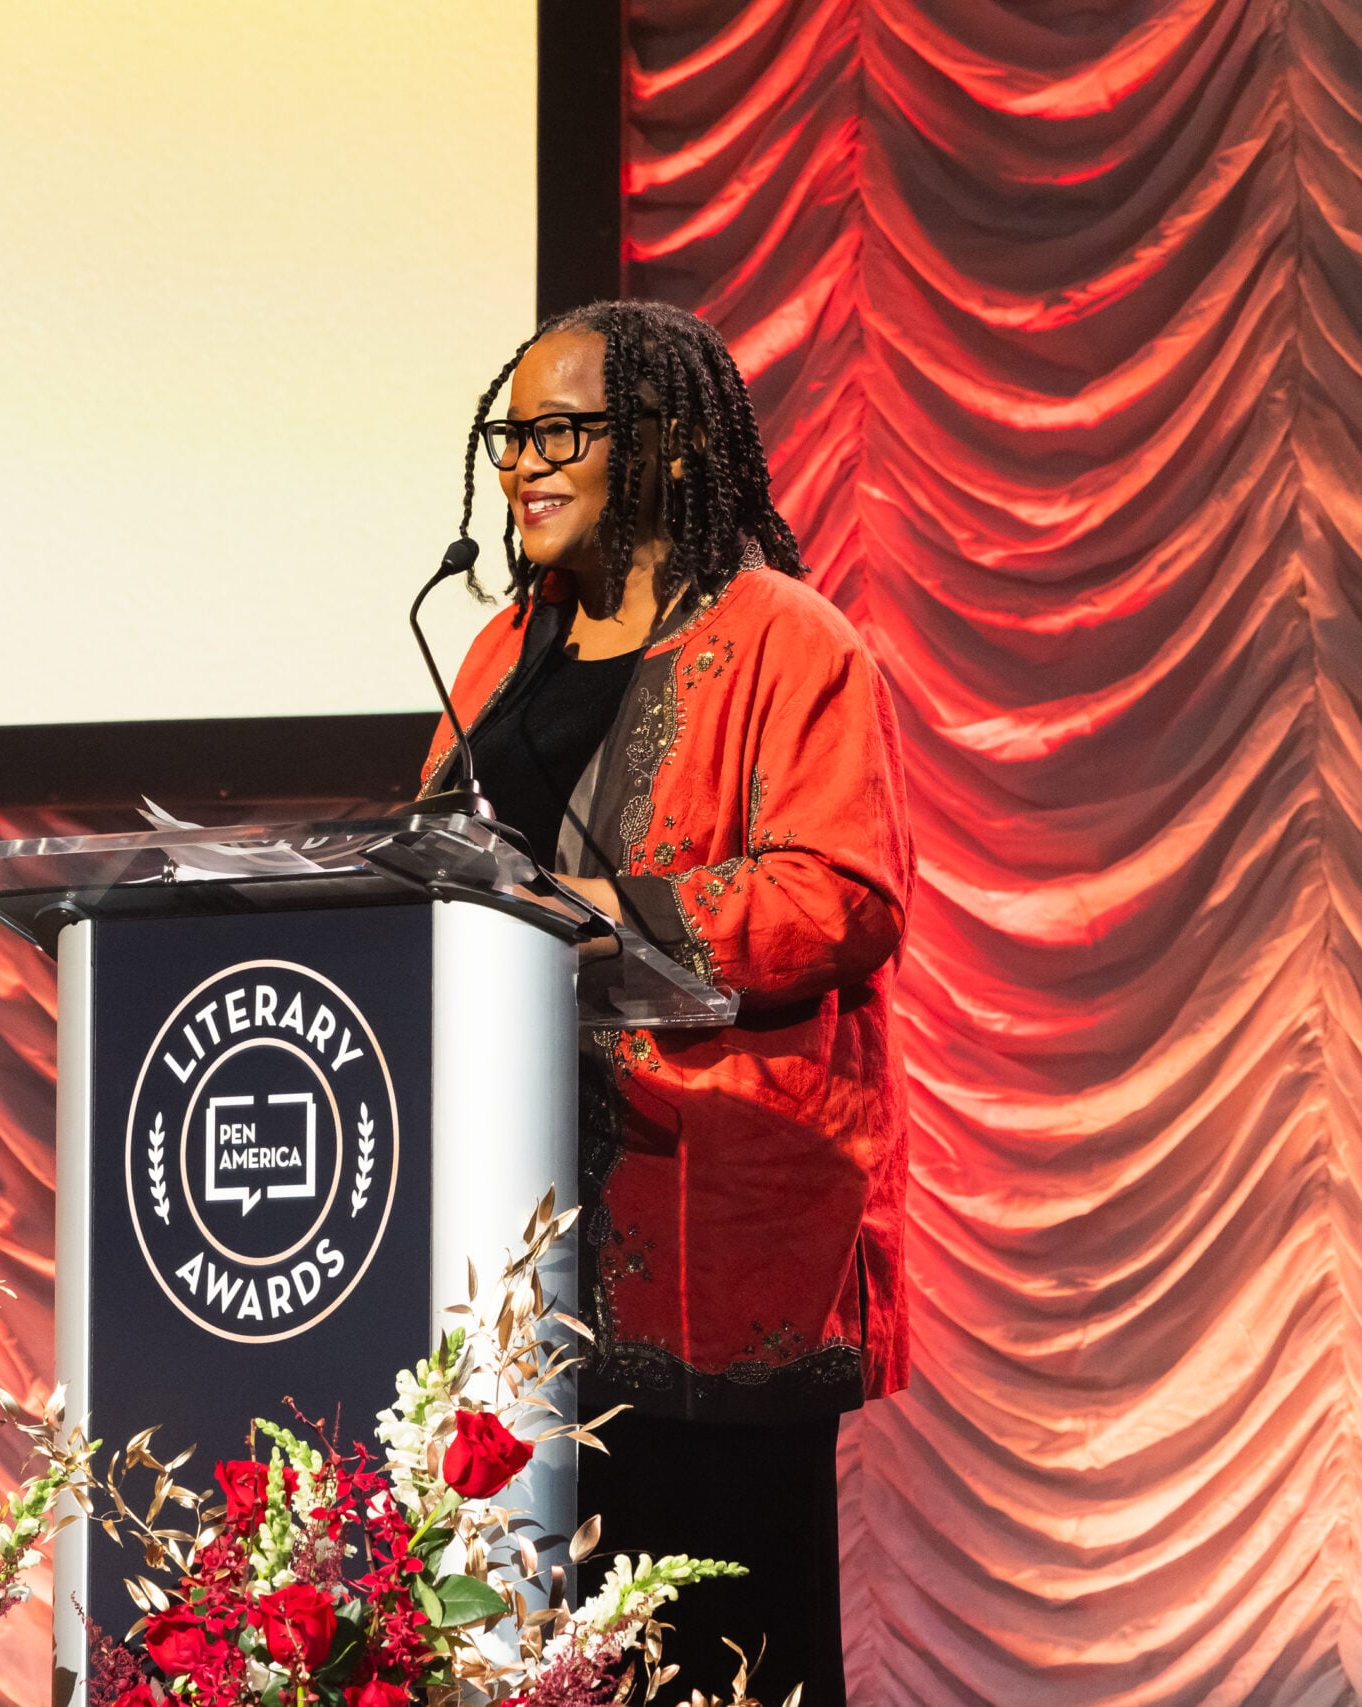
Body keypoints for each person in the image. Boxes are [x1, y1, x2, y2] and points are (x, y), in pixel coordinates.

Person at [420, 300, 913, 1707]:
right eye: (512, 435)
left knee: (714, 1643)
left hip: (708, 1219)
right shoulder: (500, 654)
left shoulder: (785, 642)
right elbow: (440, 865)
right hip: (506, 1233)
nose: (524, 463)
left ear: (675, 450)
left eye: (562, 429)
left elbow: (843, 891)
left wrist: (610, 919)